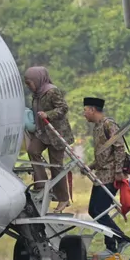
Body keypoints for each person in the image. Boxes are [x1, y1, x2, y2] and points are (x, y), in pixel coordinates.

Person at [24, 67, 75, 213]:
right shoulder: (36, 94)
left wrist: (48, 114)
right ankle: (42, 184)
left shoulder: (51, 91)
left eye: (30, 83)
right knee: (33, 151)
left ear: (38, 80)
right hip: (42, 133)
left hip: (56, 133)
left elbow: (63, 108)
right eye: (27, 83)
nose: (29, 86)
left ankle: (63, 198)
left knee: (56, 166)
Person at [83, 97, 126, 253]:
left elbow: (119, 148)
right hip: (100, 176)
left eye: (85, 110)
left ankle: (119, 239)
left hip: (110, 176)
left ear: (93, 110)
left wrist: (119, 171)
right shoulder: (96, 127)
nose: (84, 114)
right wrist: (90, 166)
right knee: (94, 211)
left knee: (100, 210)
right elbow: (103, 155)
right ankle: (112, 243)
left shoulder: (109, 124)